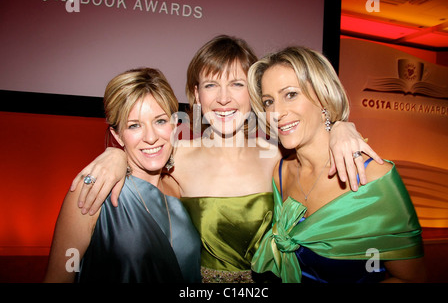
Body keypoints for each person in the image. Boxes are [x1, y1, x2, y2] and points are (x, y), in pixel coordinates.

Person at [69, 36, 382, 283]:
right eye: (210, 85)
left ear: (254, 93)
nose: (223, 98)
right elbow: (143, 157)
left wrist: (342, 126)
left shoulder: (279, 155)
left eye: (237, 84)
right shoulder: (175, 158)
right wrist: (116, 153)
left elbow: (318, 139)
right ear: (196, 95)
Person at [248, 46, 425, 283]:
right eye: (268, 102)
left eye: (290, 94)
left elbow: (411, 278)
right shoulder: (282, 173)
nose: (276, 112)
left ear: (323, 97)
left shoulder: (373, 177)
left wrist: (343, 124)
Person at [43, 68, 201, 283]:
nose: (151, 137)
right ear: (117, 135)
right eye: (134, 125)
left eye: (160, 121)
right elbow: (59, 278)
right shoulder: (92, 188)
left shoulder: (182, 188)